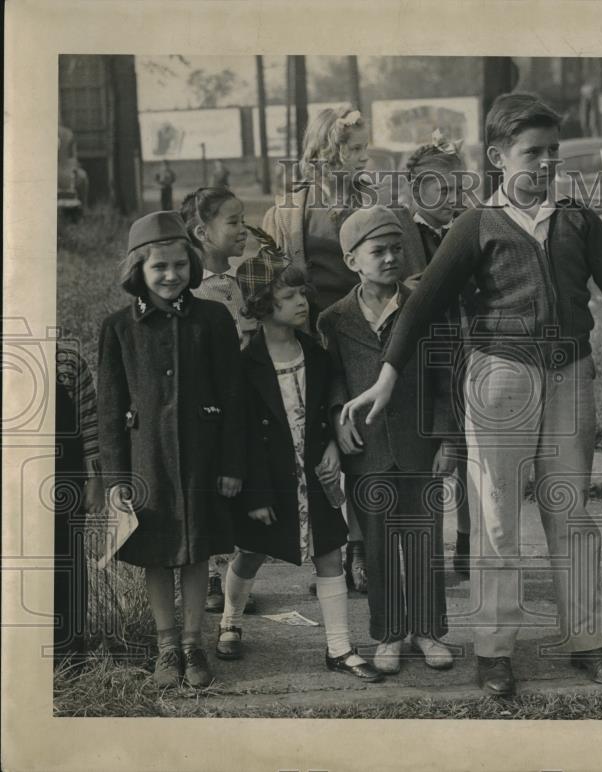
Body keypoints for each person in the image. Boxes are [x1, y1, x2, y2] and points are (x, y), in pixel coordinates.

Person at [341, 93, 602, 697]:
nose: (545, 164)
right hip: (498, 379)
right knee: (496, 521)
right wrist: (386, 377)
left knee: (570, 513)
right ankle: (495, 651)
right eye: (531, 153)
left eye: (553, 152)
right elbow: (422, 306)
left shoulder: (576, 220)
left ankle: (588, 641)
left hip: (569, 376)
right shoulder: (474, 226)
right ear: (497, 156)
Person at [261, 106, 425, 592]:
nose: (362, 157)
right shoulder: (288, 211)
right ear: (324, 153)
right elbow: (267, 283)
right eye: (352, 148)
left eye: (362, 148)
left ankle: (365, 552)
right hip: (312, 341)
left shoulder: (381, 207)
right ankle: (333, 553)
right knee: (322, 446)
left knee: (366, 440)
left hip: (367, 336)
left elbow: (413, 274)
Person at [213, 252, 382, 683]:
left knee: (330, 553)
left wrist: (331, 447)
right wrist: (254, 494)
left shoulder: (316, 352)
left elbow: (326, 409)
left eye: (302, 294)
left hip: (313, 476)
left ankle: (340, 648)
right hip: (267, 480)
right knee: (250, 554)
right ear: (263, 307)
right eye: (288, 297)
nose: (302, 302)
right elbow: (239, 431)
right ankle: (230, 619)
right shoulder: (245, 362)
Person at [98, 211, 245, 688]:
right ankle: (166, 646)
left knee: (198, 549)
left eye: (179, 265)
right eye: (158, 267)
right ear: (137, 270)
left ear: (192, 265)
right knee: (156, 552)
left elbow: (234, 397)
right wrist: (118, 479)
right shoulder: (119, 328)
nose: (170, 275)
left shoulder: (213, 319)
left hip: (203, 459)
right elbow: (109, 409)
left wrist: (231, 463)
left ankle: (193, 644)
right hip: (147, 463)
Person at [317, 206, 458, 674]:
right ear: (351, 260)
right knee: (376, 546)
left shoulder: (426, 306)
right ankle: (389, 634)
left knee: (423, 541)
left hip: (420, 445)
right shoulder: (335, 319)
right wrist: (339, 417)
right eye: (378, 251)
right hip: (367, 449)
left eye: (397, 248)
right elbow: (332, 377)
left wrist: (447, 440)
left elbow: (445, 378)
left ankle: (429, 631)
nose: (391, 258)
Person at [180, 187, 259, 614]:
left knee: (237, 482)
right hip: (208, 403)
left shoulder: (239, 281)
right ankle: (210, 574)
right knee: (212, 484)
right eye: (233, 222)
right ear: (201, 232)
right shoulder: (193, 289)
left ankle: (233, 575)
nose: (243, 230)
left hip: (241, 396)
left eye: (244, 220)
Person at [401, 130, 473, 578]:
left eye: (457, 188)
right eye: (440, 189)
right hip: (417, 362)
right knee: (424, 457)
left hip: (464, 351)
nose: (451, 198)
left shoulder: (469, 227)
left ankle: (467, 543)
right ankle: (421, 544)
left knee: (467, 454)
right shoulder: (401, 231)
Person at [53, 342, 103, 667]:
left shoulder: (67, 359)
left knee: (66, 561)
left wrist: (96, 479)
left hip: (64, 479)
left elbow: (90, 424)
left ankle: (70, 653)